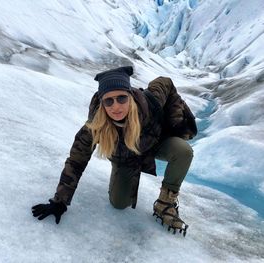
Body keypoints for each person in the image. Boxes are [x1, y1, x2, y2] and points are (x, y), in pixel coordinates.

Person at [32, 66, 197, 236]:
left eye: (121, 98)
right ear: (102, 103)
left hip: (153, 144)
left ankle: (165, 204)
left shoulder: (150, 102)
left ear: (130, 96)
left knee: (183, 151)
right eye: (108, 101)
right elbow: (76, 160)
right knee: (119, 203)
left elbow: (165, 82)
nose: (116, 106)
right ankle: (119, 177)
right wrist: (60, 201)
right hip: (126, 158)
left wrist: (176, 117)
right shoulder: (95, 125)